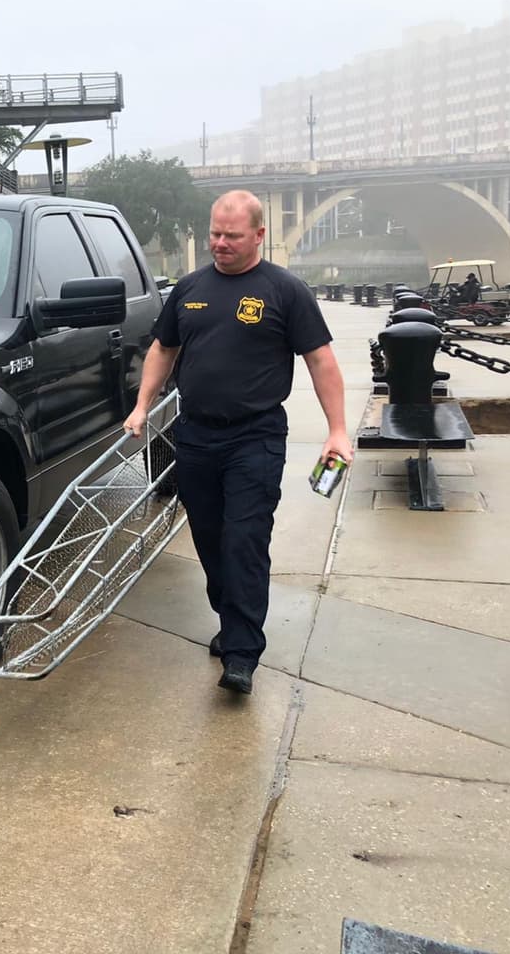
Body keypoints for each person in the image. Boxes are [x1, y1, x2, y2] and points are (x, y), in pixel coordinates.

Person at [124, 191, 353, 696]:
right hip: (196, 436)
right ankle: (232, 618)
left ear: (259, 236)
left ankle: (243, 652)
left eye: (232, 236)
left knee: (244, 540)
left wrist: (337, 429)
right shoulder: (189, 288)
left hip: (256, 436)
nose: (220, 244)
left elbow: (321, 362)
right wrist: (143, 404)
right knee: (207, 538)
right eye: (215, 234)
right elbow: (163, 348)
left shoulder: (284, 291)